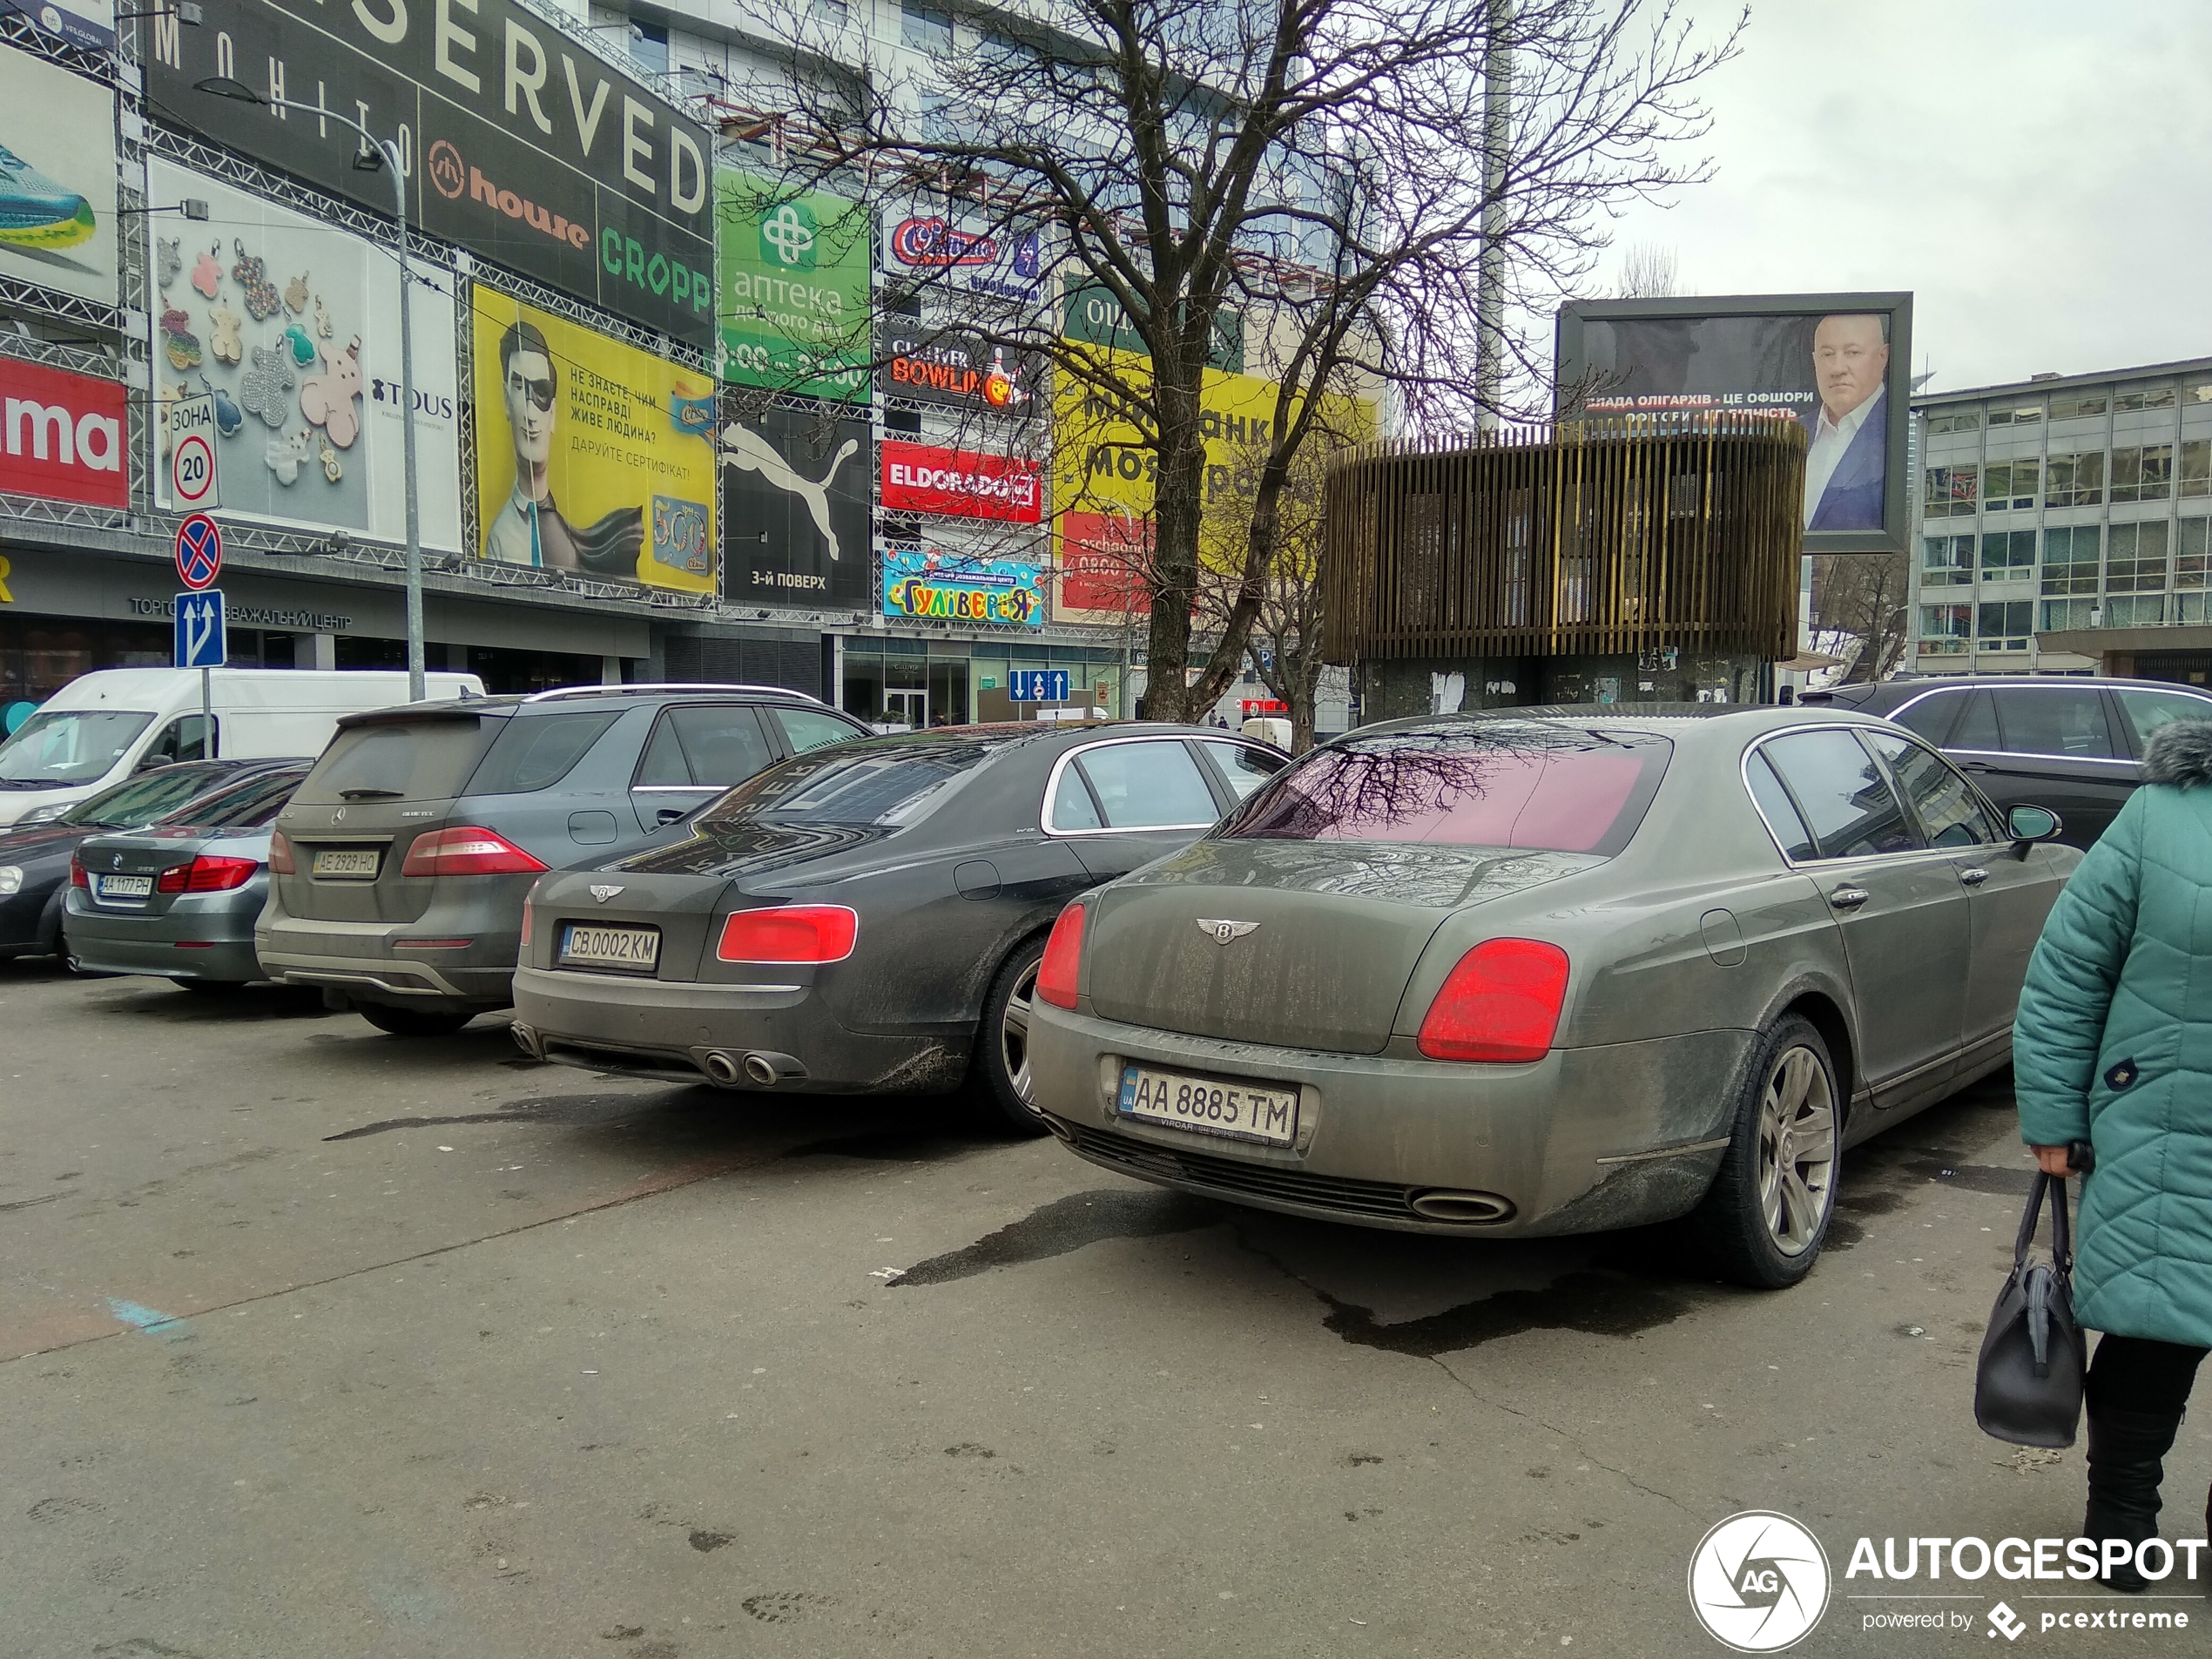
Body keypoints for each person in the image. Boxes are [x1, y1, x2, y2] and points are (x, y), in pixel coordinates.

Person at [2014, 719, 2212, 1592]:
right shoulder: (2161, 816)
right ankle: (2121, 1514)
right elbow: (2067, 969)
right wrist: (2053, 1116)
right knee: (2150, 1334)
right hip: (2166, 1123)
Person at [482, 320, 642, 577]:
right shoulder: (502, 536)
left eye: (540, 393)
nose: (531, 413)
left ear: (553, 413)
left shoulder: (582, 514)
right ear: (505, 400)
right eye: (519, 387)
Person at [1802, 314, 1889, 531]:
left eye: (1852, 353)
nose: (1837, 368)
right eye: (1827, 354)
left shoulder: (1897, 431)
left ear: (1883, 357)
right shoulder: (1792, 432)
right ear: (1814, 361)